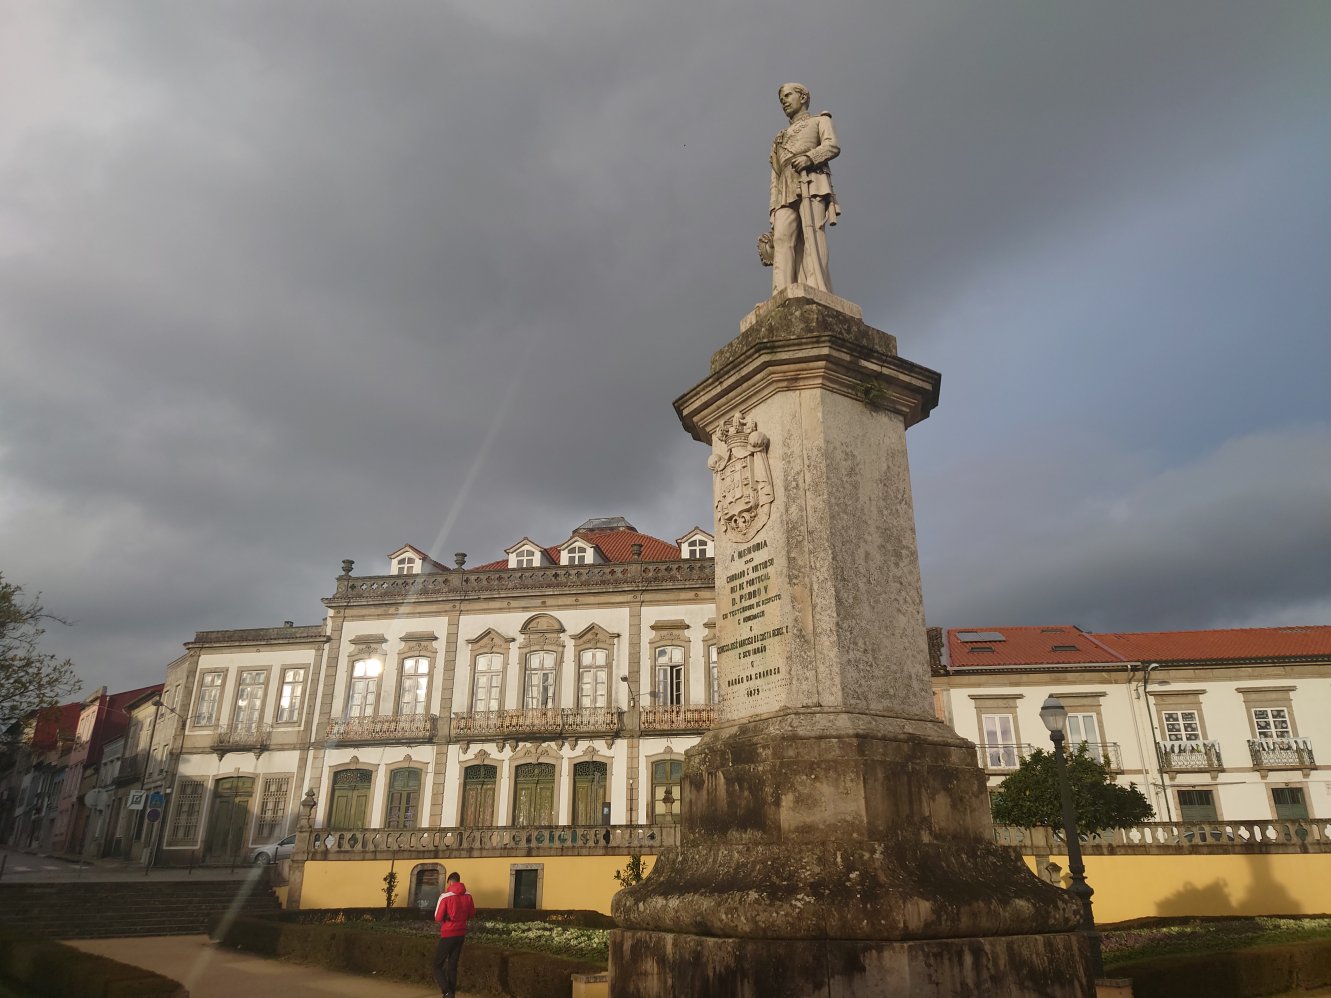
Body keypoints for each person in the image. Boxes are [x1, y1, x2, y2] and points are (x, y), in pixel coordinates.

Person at [764, 82, 841, 294]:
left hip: (812, 180)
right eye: (782, 100)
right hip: (784, 187)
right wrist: (773, 208)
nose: (784, 102)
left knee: (812, 234)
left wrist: (810, 157)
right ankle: (782, 291)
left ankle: (817, 287)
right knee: (781, 238)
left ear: (803, 97)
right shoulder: (779, 138)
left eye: (788, 96)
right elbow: (775, 174)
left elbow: (832, 145)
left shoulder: (819, 120)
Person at [433, 870, 476, 998]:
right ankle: (451, 994)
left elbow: (437, 917)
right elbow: (472, 914)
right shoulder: (468, 895)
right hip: (461, 934)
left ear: (450, 882)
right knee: (452, 965)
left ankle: (447, 992)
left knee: (437, 965)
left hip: (448, 934)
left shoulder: (445, 896)